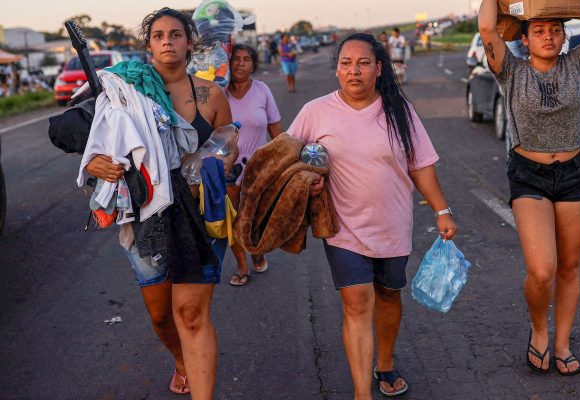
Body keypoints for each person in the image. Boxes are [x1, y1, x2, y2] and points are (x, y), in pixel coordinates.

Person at [287, 32, 457, 399]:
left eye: (363, 63)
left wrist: (442, 210)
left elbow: (422, 166)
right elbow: (287, 159)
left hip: (393, 226)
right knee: (357, 301)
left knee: (388, 294)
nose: (354, 71)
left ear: (379, 68)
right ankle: (361, 393)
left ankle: (385, 362)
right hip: (342, 228)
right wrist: (307, 181)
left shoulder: (400, 111)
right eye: (346, 63)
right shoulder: (316, 111)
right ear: (337, 70)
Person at [83, 8, 238, 398]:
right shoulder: (123, 91)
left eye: (175, 34)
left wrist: (215, 166)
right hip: (148, 213)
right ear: (148, 45)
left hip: (200, 213)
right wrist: (94, 162)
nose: (167, 41)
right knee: (161, 316)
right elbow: (92, 138)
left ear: (189, 41)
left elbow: (229, 142)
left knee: (190, 313)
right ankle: (181, 359)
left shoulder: (210, 92)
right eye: (158, 35)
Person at [478, 0, 580, 376]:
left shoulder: (579, 63)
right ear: (524, 39)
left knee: (570, 267)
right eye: (539, 31)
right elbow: (487, 29)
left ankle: (562, 343)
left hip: (574, 172)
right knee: (542, 270)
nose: (548, 36)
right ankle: (539, 330)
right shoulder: (510, 71)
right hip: (529, 174)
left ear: (563, 36)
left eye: (555, 30)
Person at [226, 43, 282, 286]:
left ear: (253, 65)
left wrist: (285, 162)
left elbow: (276, 131)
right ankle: (242, 265)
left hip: (257, 168)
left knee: (255, 218)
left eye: (246, 59)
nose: (240, 63)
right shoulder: (218, 91)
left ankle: (257, 250)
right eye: (235, 58)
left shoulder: (262, 90)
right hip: (226, 168)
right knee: (232, 219)